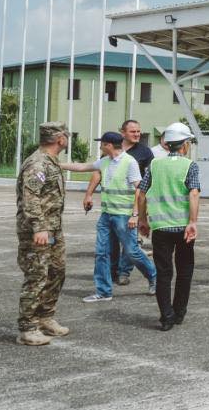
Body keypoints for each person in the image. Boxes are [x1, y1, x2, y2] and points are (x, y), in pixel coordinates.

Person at [68, 131, 157, 302]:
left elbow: (139, 189)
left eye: (102, 144)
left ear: (108, 145)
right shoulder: (105, 161)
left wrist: (135, 215)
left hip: (124, 216)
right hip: (106, 215)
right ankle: (103, 292)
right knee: (101, 253)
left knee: (132, 252)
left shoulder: (129, 162)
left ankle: (154, 277)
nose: (100, 146)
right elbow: (82, 167)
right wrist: (57, 164)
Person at [137, 122, 201, 331]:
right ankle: (179, 313)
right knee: (185, 270)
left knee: (163, 273)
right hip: (183, 228)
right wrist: (193, 222)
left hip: (160, 228)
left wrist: (143, 220)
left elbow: (142, 193)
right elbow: (193, 193)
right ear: (184, 144)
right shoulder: (190, 165)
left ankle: (166, 317)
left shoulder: (155, 165)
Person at [15, 122, 72, 346]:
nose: (67, 139)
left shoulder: (51, 161)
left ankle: (45, 317)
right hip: (37, 231)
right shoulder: (37, 163)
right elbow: (31, 198)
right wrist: (39, 227)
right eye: (66, 136)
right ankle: (27, 328)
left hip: (53, 229)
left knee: (56, 271)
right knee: (37, 275)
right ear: (60, 139)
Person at [110, 119, 154, 285]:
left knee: (129, 242)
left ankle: (124, 272)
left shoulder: (145, 152)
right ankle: (112, 271)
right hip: (114, 203)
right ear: (123, 133)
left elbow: (150, 176)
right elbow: (100, 170)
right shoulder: (112, 148)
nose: (137, 134)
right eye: (133, 131)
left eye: (138, 131)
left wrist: (141, 209)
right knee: (111, 241)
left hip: (135, 202)